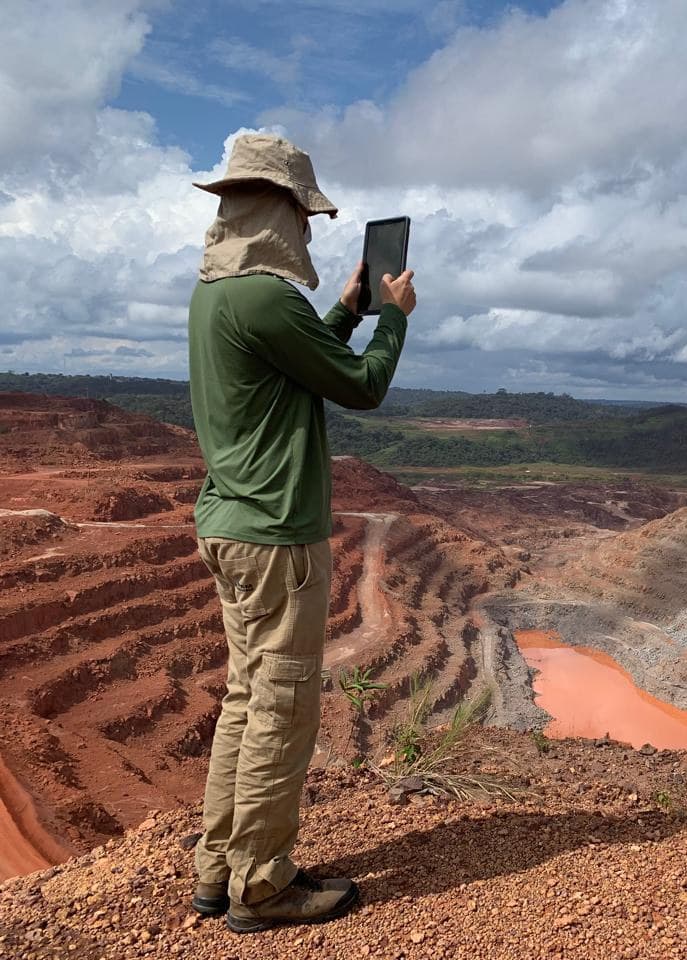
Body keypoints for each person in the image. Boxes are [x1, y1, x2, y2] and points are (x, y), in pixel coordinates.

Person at [185, 132, 415, 934]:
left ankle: (218, 870)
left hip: (231, 525)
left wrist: (347, 310)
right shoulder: (266, 298)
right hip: (277, 536)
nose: (309, 231)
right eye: (304, 216)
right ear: (281, 212)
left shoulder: (217, 295)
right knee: (281, 709)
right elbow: (360, 386)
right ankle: (262, 886)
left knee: (247, 700)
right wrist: (393, 320)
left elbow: (300, 361)